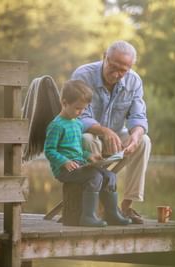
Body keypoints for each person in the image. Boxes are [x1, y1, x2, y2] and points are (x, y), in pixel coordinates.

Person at [71, 40, 151, 224]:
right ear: (104, 57)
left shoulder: (134, 81)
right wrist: (104, 131)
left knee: (144, 141)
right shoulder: (83, 75)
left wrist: (135, 136)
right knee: (87, 138)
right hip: (88, 136)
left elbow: (138, 117)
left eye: (123, 70)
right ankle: (94, 207)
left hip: (115, 137)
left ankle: (125, 207)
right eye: (113, 67)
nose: (116, 74)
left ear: (130, 67)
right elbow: (78, 117)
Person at [44, 80, 130, 227]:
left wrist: (88, 155)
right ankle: (88, 217)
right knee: (95, 176)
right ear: (64, 103)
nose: (81, 112)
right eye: (78, 108)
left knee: (110, 176)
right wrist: (64, 161)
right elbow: (49, 150)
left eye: (84, 109)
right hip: (65, 170)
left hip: (80, 165)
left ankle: (112, 214)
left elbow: (76, 149)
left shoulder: (77, 123)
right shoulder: (56, 125)